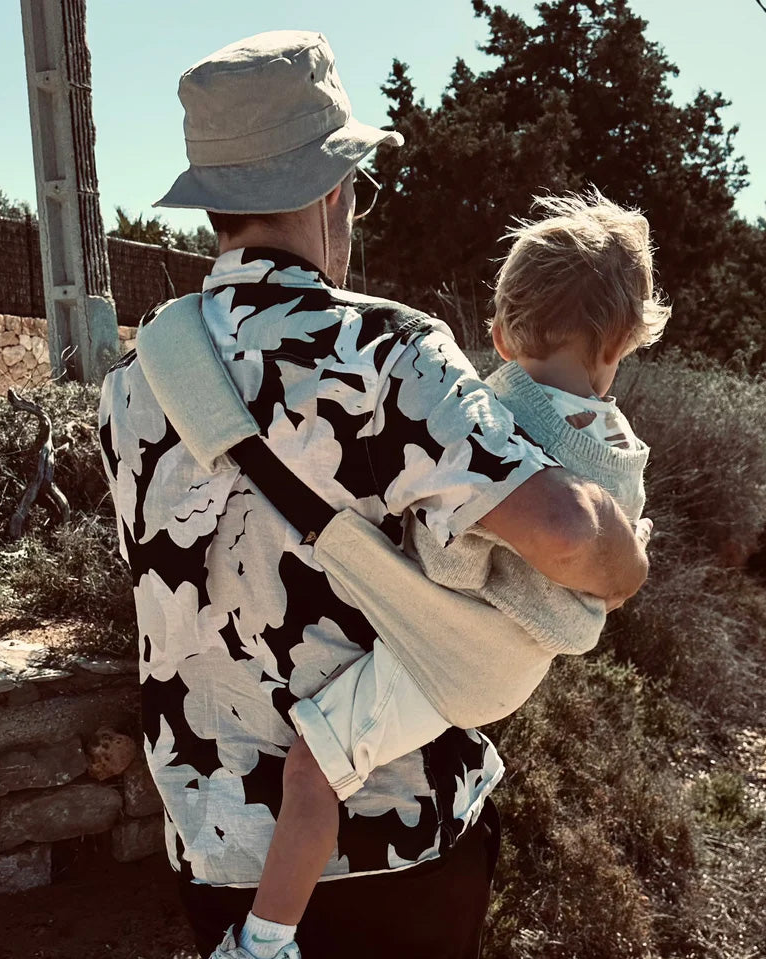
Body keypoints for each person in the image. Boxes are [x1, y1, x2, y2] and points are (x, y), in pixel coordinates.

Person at [98, 31, 648, 959]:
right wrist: (626, 562)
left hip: (213, 841)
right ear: (332, 190)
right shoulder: (384, 351)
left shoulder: (131, 382)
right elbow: (562, 532)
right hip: (394, 841)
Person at [217, 189, 667, 959]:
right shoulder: (619, 450)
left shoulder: (493, 417)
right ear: (619, 342)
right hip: (515, 663)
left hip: (454, 658)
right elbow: (615, 556)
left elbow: (452, 566)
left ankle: (263, 943)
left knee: (310, 770)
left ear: (498, 333)